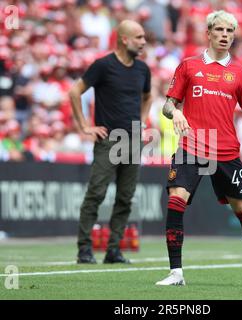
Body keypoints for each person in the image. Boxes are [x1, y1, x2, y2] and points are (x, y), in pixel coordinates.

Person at [155, 10, 242, 287]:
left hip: (226, 151)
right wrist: (177, 113)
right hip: (192, 146)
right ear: (208, 33)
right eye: (219, 30)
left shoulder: (240, 73)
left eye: (230, 31)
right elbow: (167, 105)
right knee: (176, 199)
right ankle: (176, 272)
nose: (225, 35)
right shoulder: (188, 66)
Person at [69, 20, 152, 264]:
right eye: (138, 37)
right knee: (96, 194)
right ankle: (84, 249)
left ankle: (113, 250)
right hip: (108, 140)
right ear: (124, 39)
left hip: (133, 140)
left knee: (126, 197)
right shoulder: (103, 66)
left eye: (144, 37)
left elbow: (147, 97)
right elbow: (75, 92)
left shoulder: (142, 69)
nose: (143, 41)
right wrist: (84, 126)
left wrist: (143, 121)